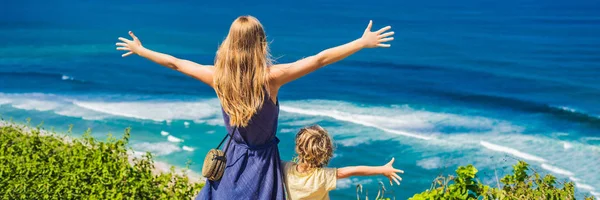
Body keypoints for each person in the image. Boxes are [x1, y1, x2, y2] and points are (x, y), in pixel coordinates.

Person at [115, 15, 394, 199]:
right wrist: (361, 43)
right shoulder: (270, 79)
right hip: (262, 165)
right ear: (260, 44)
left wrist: (142, 50)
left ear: (230, 43)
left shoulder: (218, 77)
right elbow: (319, 60)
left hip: (230, 160)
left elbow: (177, 63)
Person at [283, 125, 403, 200]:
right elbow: (354, 170)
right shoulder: (323, 176)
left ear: (299, 147)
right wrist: (382, 170)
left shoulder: (285, 169)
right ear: (325, 151)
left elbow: (267, 160)